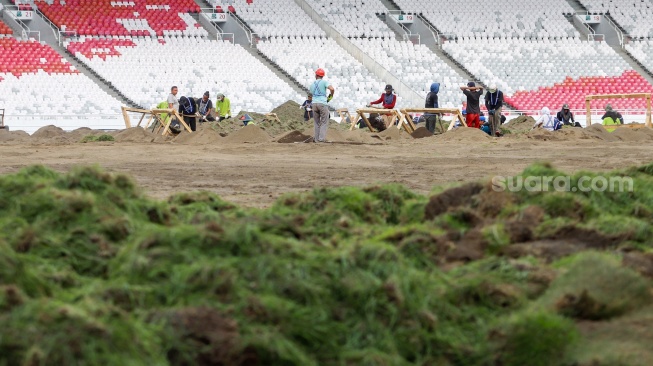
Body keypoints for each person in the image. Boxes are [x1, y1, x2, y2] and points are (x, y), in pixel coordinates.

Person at [309, 68, 335, 143]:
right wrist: (331, 96)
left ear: (316, 75)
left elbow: (310, 94)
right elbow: (332, 89)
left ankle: (316, 139)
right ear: (322, 76)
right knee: (324, 122)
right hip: (322, 103)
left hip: (314, 104)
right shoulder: (324, 82)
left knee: (316, 122)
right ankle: (321, 139)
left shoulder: (312, 84)